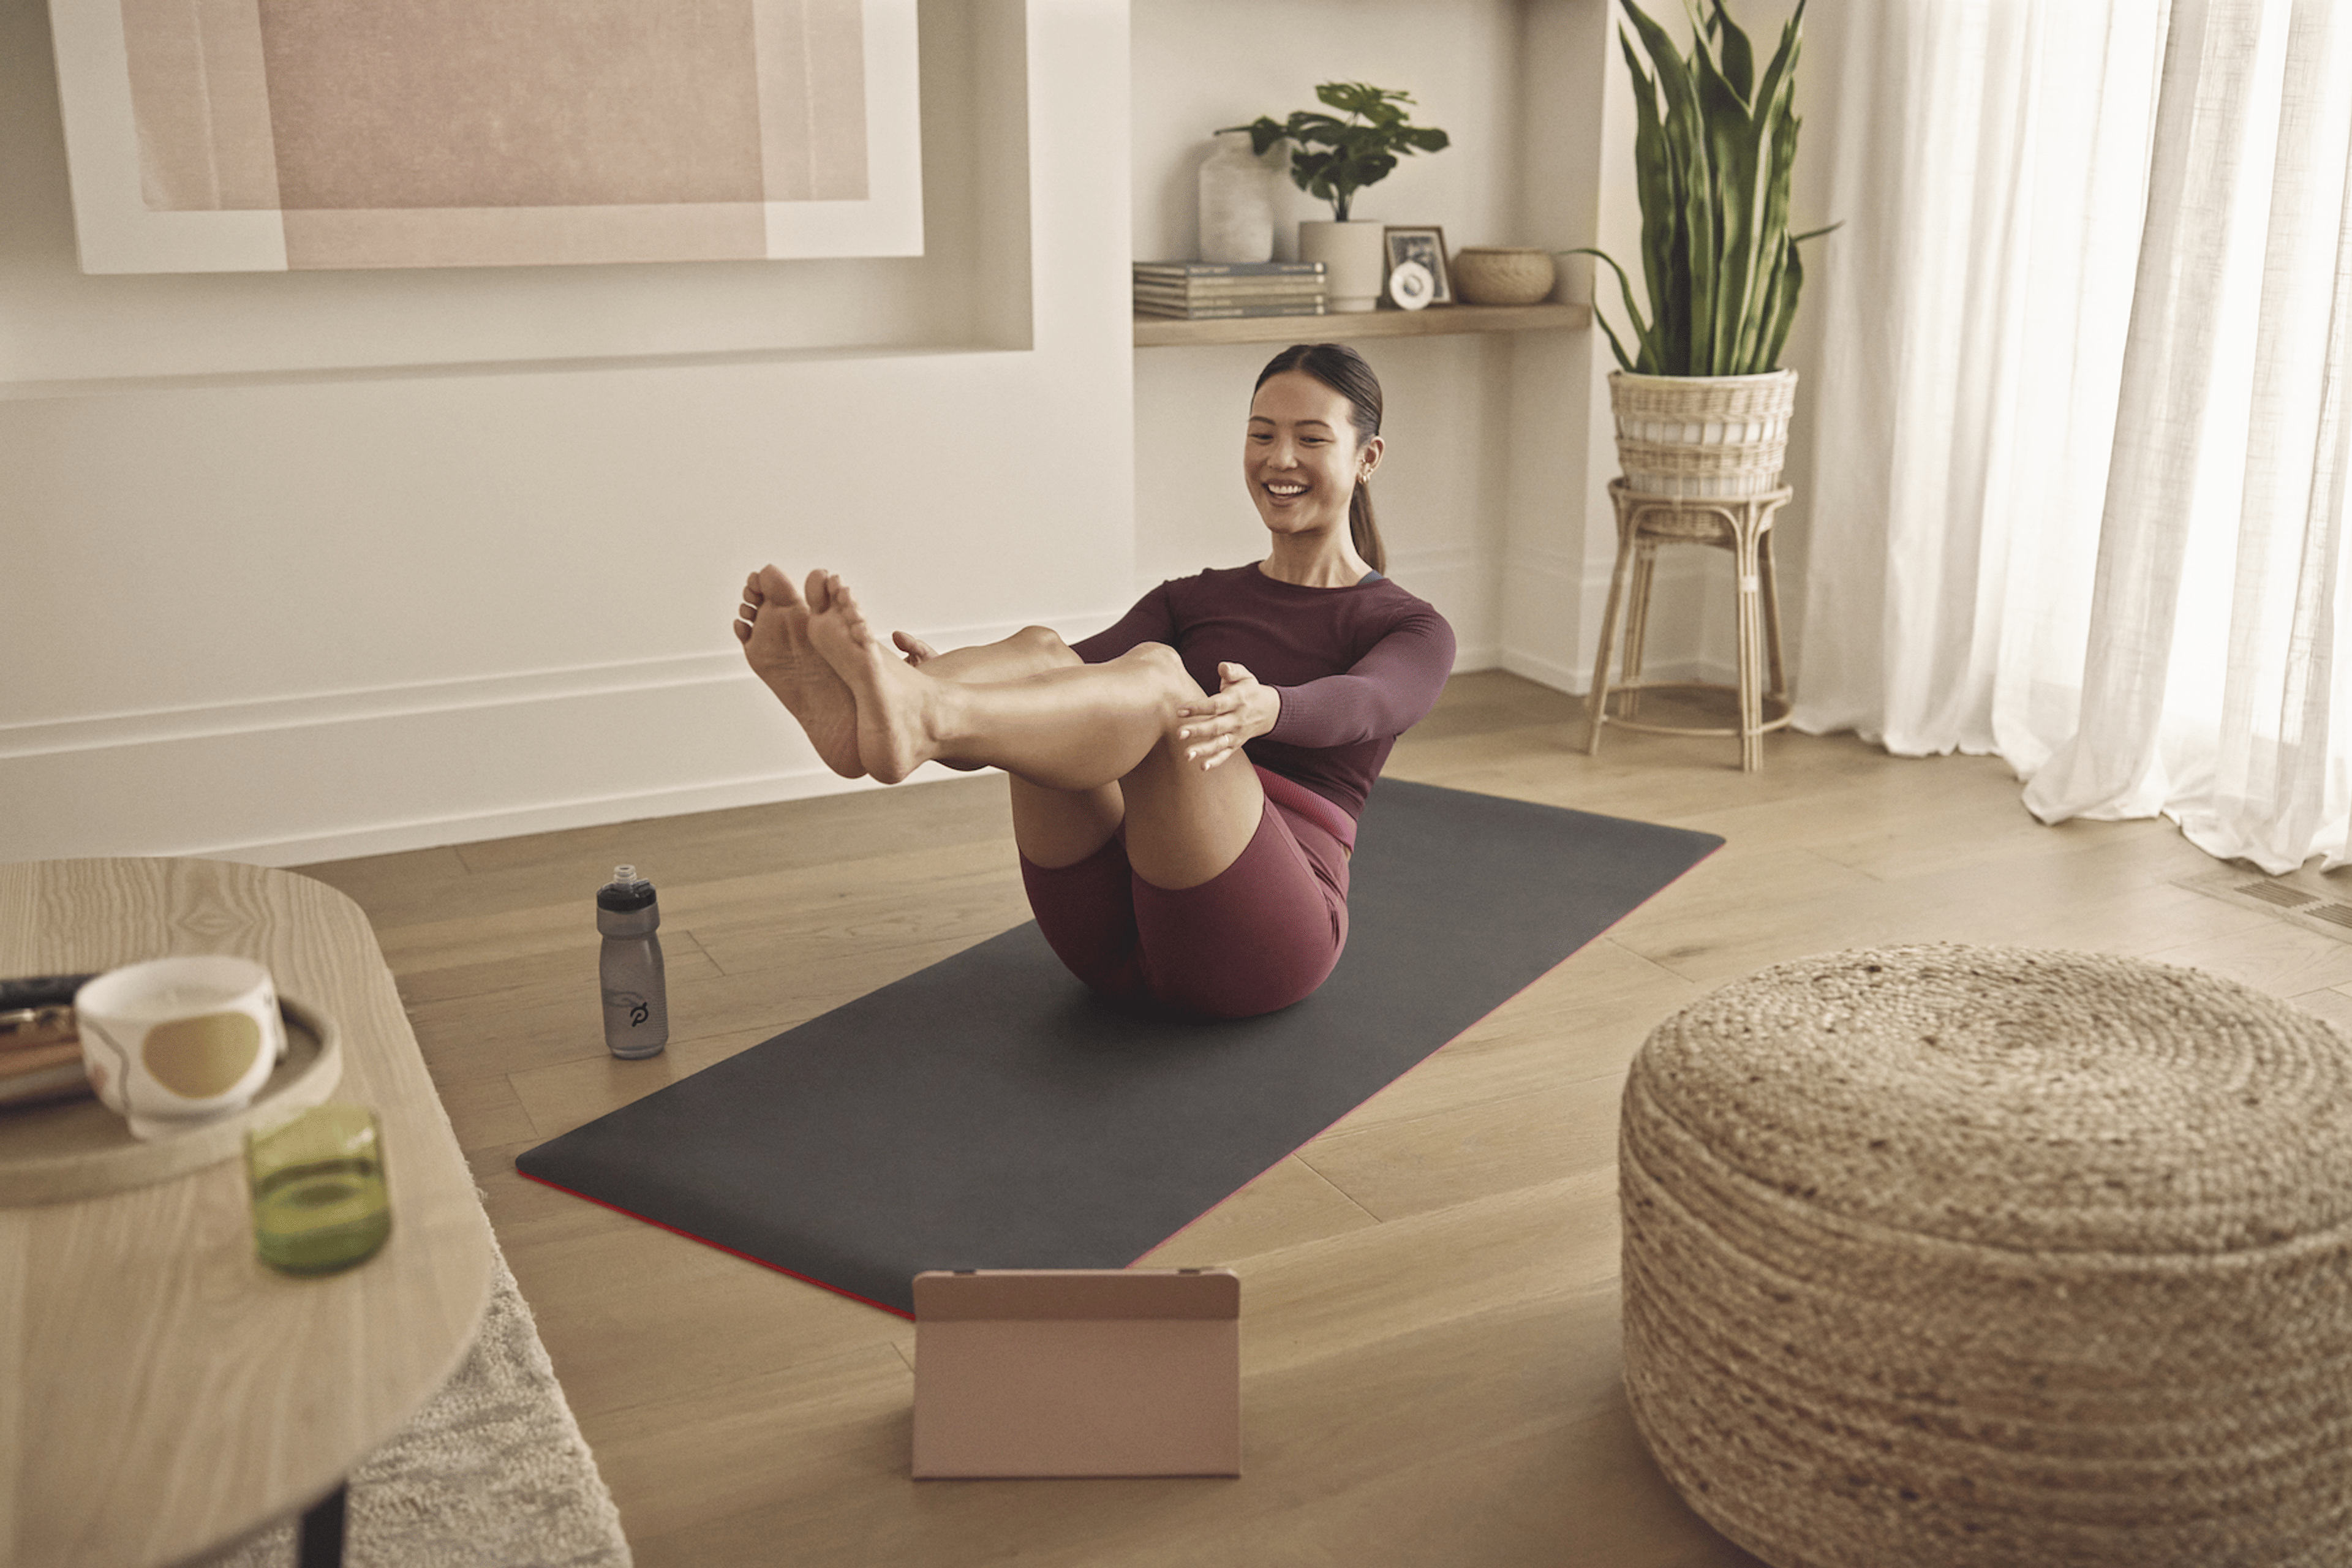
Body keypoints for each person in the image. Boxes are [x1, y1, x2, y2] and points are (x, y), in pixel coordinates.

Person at [733, 342, 1455, 1019]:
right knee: (1045, 655)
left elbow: (1368, 704)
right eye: (1261, 434)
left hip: (1263, 938)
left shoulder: (1411, 628)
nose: (1280, 458)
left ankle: (913, 712)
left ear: (1368, 457)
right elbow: (1060, 688)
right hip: (1111, 930)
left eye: (1311, 438)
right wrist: (958, 676)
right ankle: (894, 707)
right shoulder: (1193, 598)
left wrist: (1268, 707)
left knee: (1162, 684)